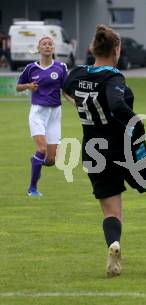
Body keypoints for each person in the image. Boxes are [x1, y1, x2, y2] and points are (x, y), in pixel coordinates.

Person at [63, 25, 146, 277]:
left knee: (112, 213)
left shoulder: (77, 74)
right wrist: (139, 126)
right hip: (127, 150)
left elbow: (66, 86)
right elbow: (117, 105)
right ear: (117, 49)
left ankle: (114, 244)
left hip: (94, 151)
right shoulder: (113, 77)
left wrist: (81, 106)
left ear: (92, 48)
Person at [16, 36, 68, 197]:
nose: (47, 46)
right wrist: (28, 86)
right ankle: (32, 188)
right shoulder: (31, 68)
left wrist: (75, 102)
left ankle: (36, 160)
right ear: (39, 48)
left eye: (50, 44)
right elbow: (18, 87)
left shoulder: (61, 67)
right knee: (42, 148)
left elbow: (66, 90)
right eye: (44, 44)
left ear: (53, 48)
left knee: (51, 160)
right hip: (38, 113)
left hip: (55, 114)